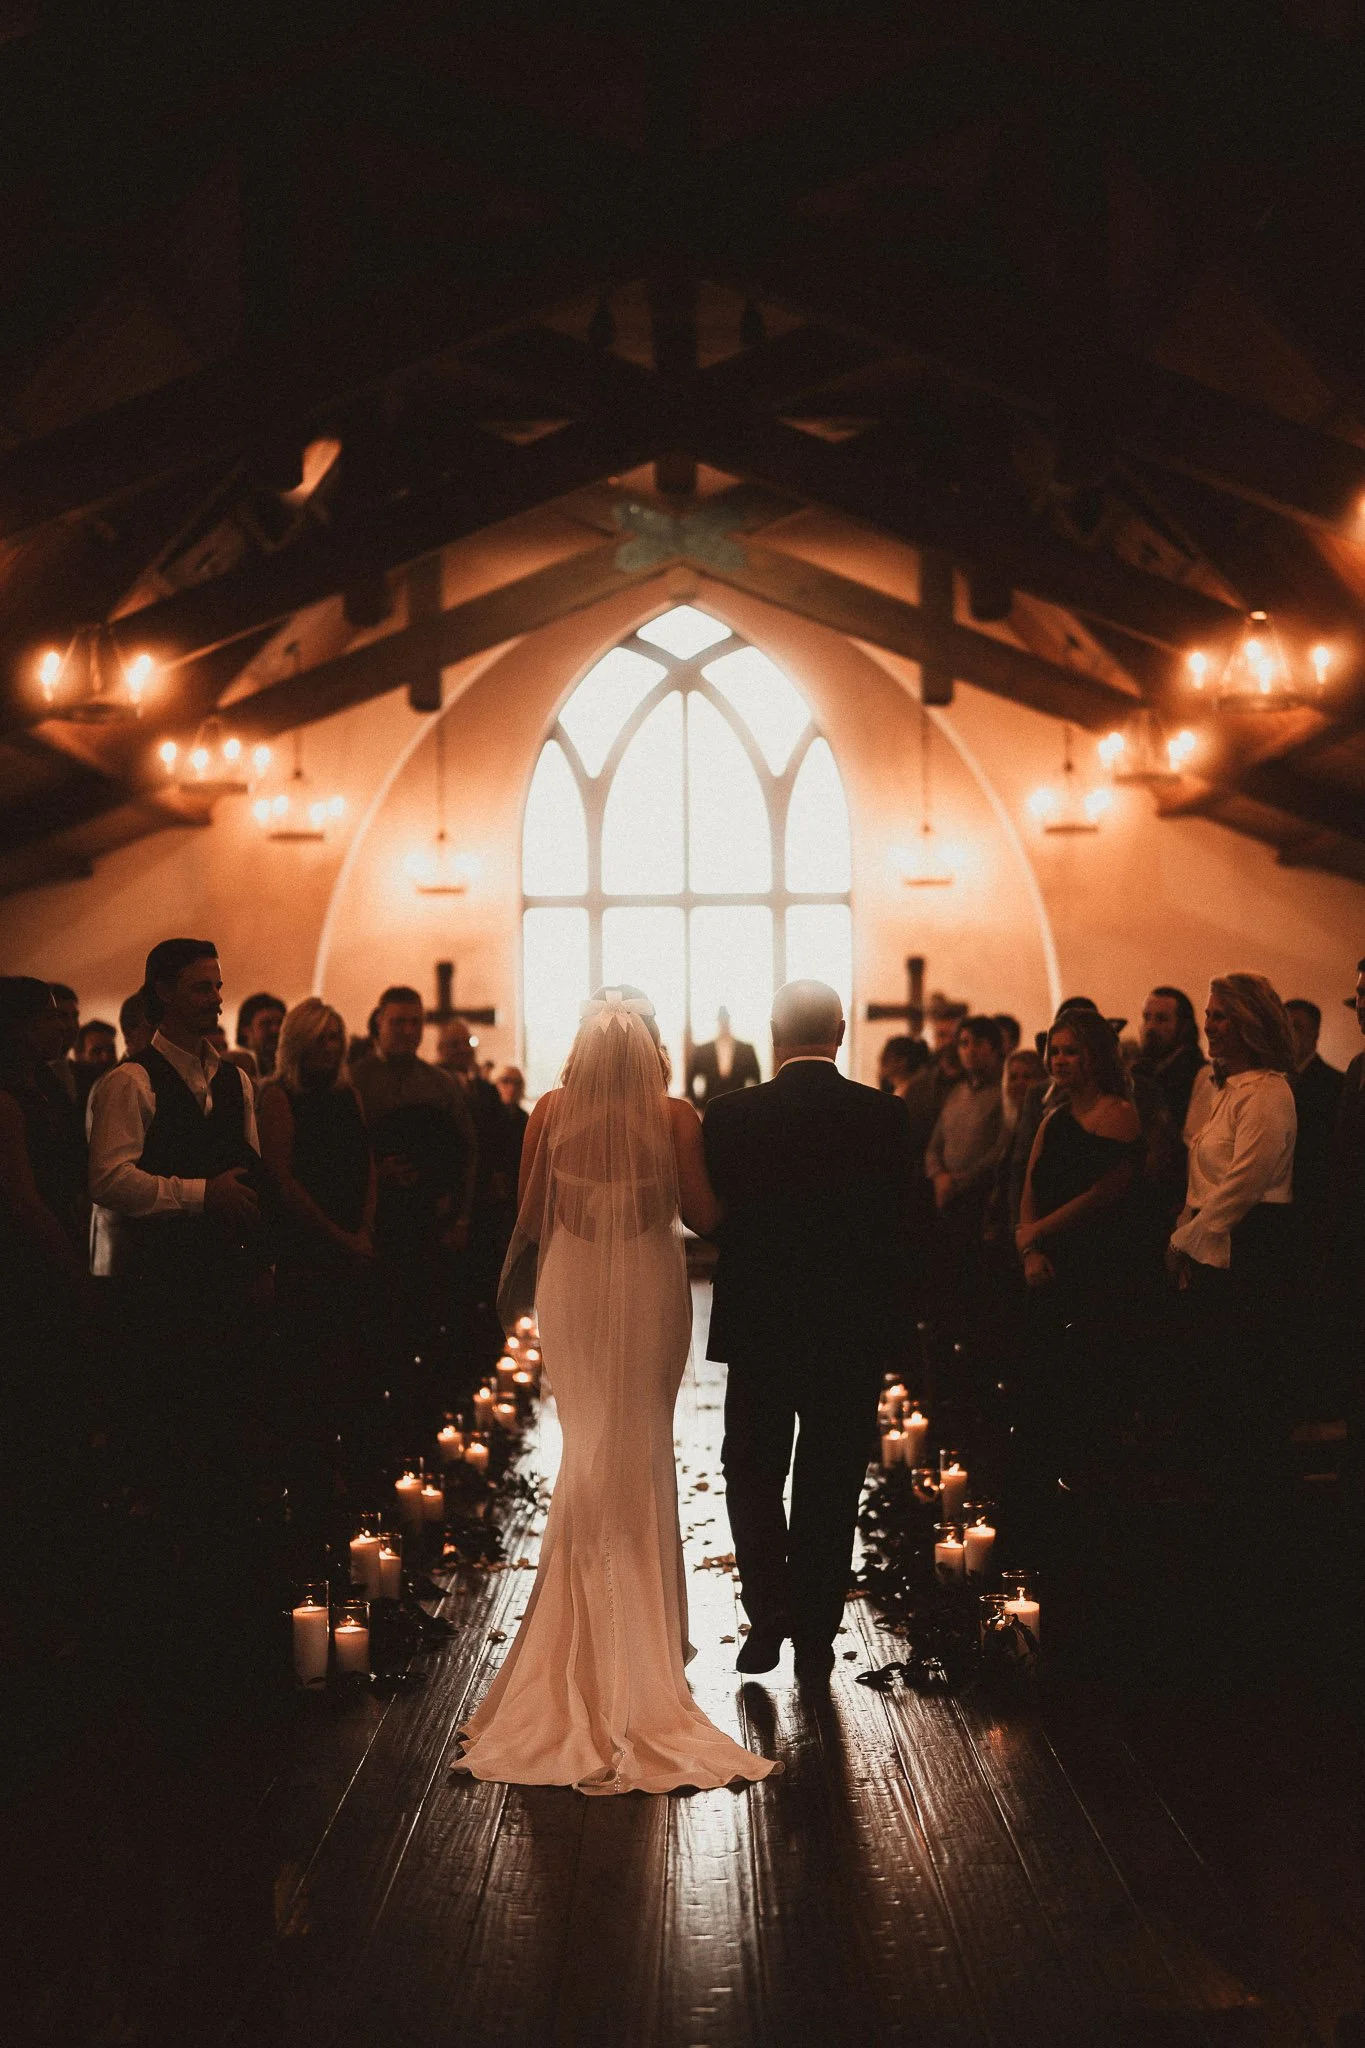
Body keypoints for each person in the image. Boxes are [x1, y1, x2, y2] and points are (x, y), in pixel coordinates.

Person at [453, 986, 776, 1795]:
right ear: (651, 1046)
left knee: (587, 1447)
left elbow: (528, 1217)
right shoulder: (672, 1117)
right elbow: (703, 1218)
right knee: (640, 1449)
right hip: (645, 1285)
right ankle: (643, 1650)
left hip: (572, 1286)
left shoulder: (550, 1110)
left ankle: (583, 1641)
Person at [703, 980, 918, 1683]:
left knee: (753, 1470)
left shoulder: (730, 1116)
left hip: (762, 1324)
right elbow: (902, 1229)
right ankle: (818, 1634)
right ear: (840, 1029)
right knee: (829, 1480)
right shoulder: (886, 1117)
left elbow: (715, 1215)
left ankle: (769, 1614)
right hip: (848, 1329)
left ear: (771, 1032)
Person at [1166, 975, 1298, 1499]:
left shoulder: (1268, 1091)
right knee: (1209, 1387)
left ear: (1250, 1024)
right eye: (1209, 1014)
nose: (1210, 1025)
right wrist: (1185, 1223)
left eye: (1221, 1016)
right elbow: (1203, 1175)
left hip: (1248, 1247)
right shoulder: (1230, 1088)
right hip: (1214, 1240)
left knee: (1241, 1386)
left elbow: (1245, 1181)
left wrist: (1187, 1240)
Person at [1013, 1009, 1144, 1530]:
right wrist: (1029, 1249)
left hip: (1096, 1270)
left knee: (1083, 1393)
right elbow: (1030, 1185)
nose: (1059, 1060)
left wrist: (1039, 1232)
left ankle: (1086, 1516)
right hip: (1046, 1266)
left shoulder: (1119, 1114)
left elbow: (1103, 1194)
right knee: (1038, 1392)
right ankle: (1036, 1513)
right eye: (1055, 1051)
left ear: (1094, 1056)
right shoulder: (1052, 1117)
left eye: (1071, 1051)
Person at [258, 999, 377, 1506]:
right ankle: (307, 1482)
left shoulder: (348, 1094)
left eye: (336, 1037)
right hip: (306, 1250)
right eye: (320, 1038)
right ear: (298, 1042)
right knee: (307, 1371)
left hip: (351, 1245)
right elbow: (282, 1182)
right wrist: (339, 1235)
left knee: (347, 1367)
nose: (329, 1047)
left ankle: (342, 1470)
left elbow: (367, 1164)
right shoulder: (278, 1096)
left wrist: (365, 1229)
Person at [352, 988, 475, 1420]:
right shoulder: (355, 1080)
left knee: (426, 1326)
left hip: (429, 1225)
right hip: (375, 1225)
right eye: (397, 1021)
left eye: (414, 1022)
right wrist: (374, 1175)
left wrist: (460, 1216)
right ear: (378, 1022)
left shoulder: (440, 1084)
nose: (407, 1030)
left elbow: (466, 1153)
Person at [1285, 999, 1344, 1255]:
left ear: (1316, 1033)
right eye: (1285, 1027)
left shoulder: (1336, 1084)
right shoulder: (1270, 1081)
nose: (1290, 1035)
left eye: (1297, 1027)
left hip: (1309, 1203)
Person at [1134, 987, 1206, 1134]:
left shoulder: (1199, 1075)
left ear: (1184, 1026)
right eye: (1147, 1017)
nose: (1151, 1027)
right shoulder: (1140, 1071)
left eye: (1162, 1019)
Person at [687, 1007, 762, 1109]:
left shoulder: (746, 1049)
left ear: (729, 1021)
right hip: (711, 1104)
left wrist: (750, 1102)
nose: (724, 1024)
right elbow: (690, 1078)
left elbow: (756, 1078)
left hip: (739, 1104)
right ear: (718, 1022)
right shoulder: (704, 1050)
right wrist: (698, 1104)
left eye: (725, 1021)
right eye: (721, 1021)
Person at [236, 992, 286, 1080]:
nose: (275, 1030)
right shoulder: (235, 1070)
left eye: (280, 1023)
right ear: (246, 1030)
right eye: (266, 1023)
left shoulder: (290, 1072)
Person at [46, 982, 80, 1103]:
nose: (72, 1025)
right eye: (62, 1016)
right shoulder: (30, 1076)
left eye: (75, 1016)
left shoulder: (83, 1073)